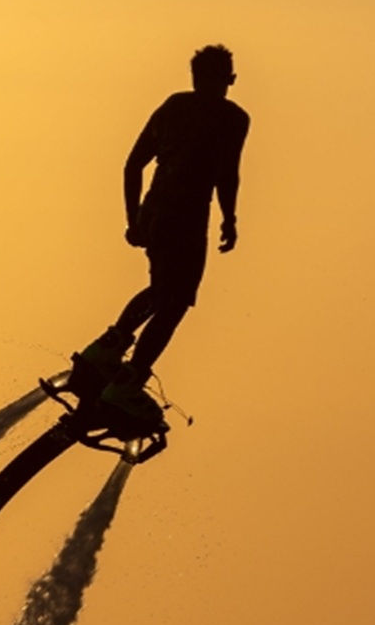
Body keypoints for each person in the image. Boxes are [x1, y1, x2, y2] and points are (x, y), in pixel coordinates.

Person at [79, 44, 249, 416]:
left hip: (158, 214)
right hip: (185, 218)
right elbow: (227, 175)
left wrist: (136, 218)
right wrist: (230, 220)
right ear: (229, 80)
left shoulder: (175, 107)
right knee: (175, 303)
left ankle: (111, 347)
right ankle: (128, 380)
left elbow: (133, 166)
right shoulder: (233, 118)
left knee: (162, 293)